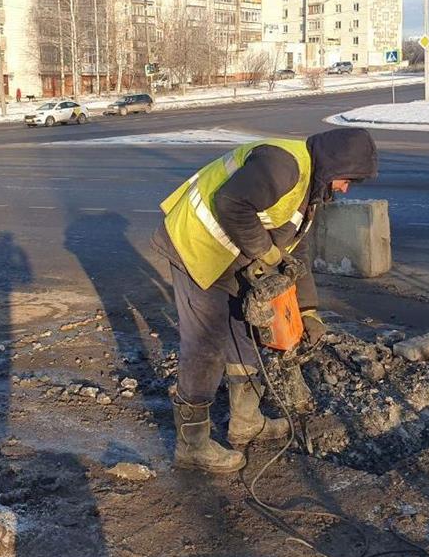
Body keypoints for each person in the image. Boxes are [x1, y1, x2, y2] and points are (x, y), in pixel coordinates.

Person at [151, 127, 379, 473]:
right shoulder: (282, 165)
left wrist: (308, 311)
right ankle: (192, 444)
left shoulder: (310, 191)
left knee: (246, 331)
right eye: (347, 179)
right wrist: (268, 256)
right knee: (207, 343)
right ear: (334, 165)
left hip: (232, 256)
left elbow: (295, 252)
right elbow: (231, 203)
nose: (346, 188)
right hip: (196, 247)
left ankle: (246, 420)